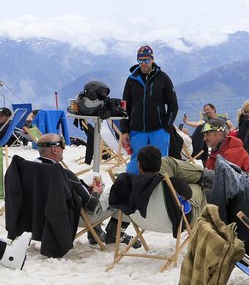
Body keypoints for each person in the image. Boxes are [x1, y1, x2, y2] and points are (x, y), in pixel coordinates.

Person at [37, 133, 140, 247]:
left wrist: (83, 188)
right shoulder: (63, 174)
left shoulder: (32, 169)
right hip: (76, 216)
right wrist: (96, 192)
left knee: (95, 177)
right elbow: (92, 205)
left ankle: (95, 231)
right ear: (55, 150)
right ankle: (115, 233)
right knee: (126, 188)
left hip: (44, 213)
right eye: (62, 144)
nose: (63, 148)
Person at [109, 145, 196, 236]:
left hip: (142, 223)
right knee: (197, 190)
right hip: (172, 223)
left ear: (139, 165)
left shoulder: (128, 184)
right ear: (160, 163)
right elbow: (189, 194)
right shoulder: (170, 183)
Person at [120, 45, 179, 174]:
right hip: (137, 131)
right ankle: (134, 191)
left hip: (159, 131)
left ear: (152, 59)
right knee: (135, 166)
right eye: (140, 60)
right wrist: (124, 130)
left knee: (162, 165)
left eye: (146, 60)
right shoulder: (131, 80)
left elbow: (173, 105)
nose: (143, 63)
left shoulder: (163, 78)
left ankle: (161, 191)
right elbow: (125, 107)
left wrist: (166, 128)